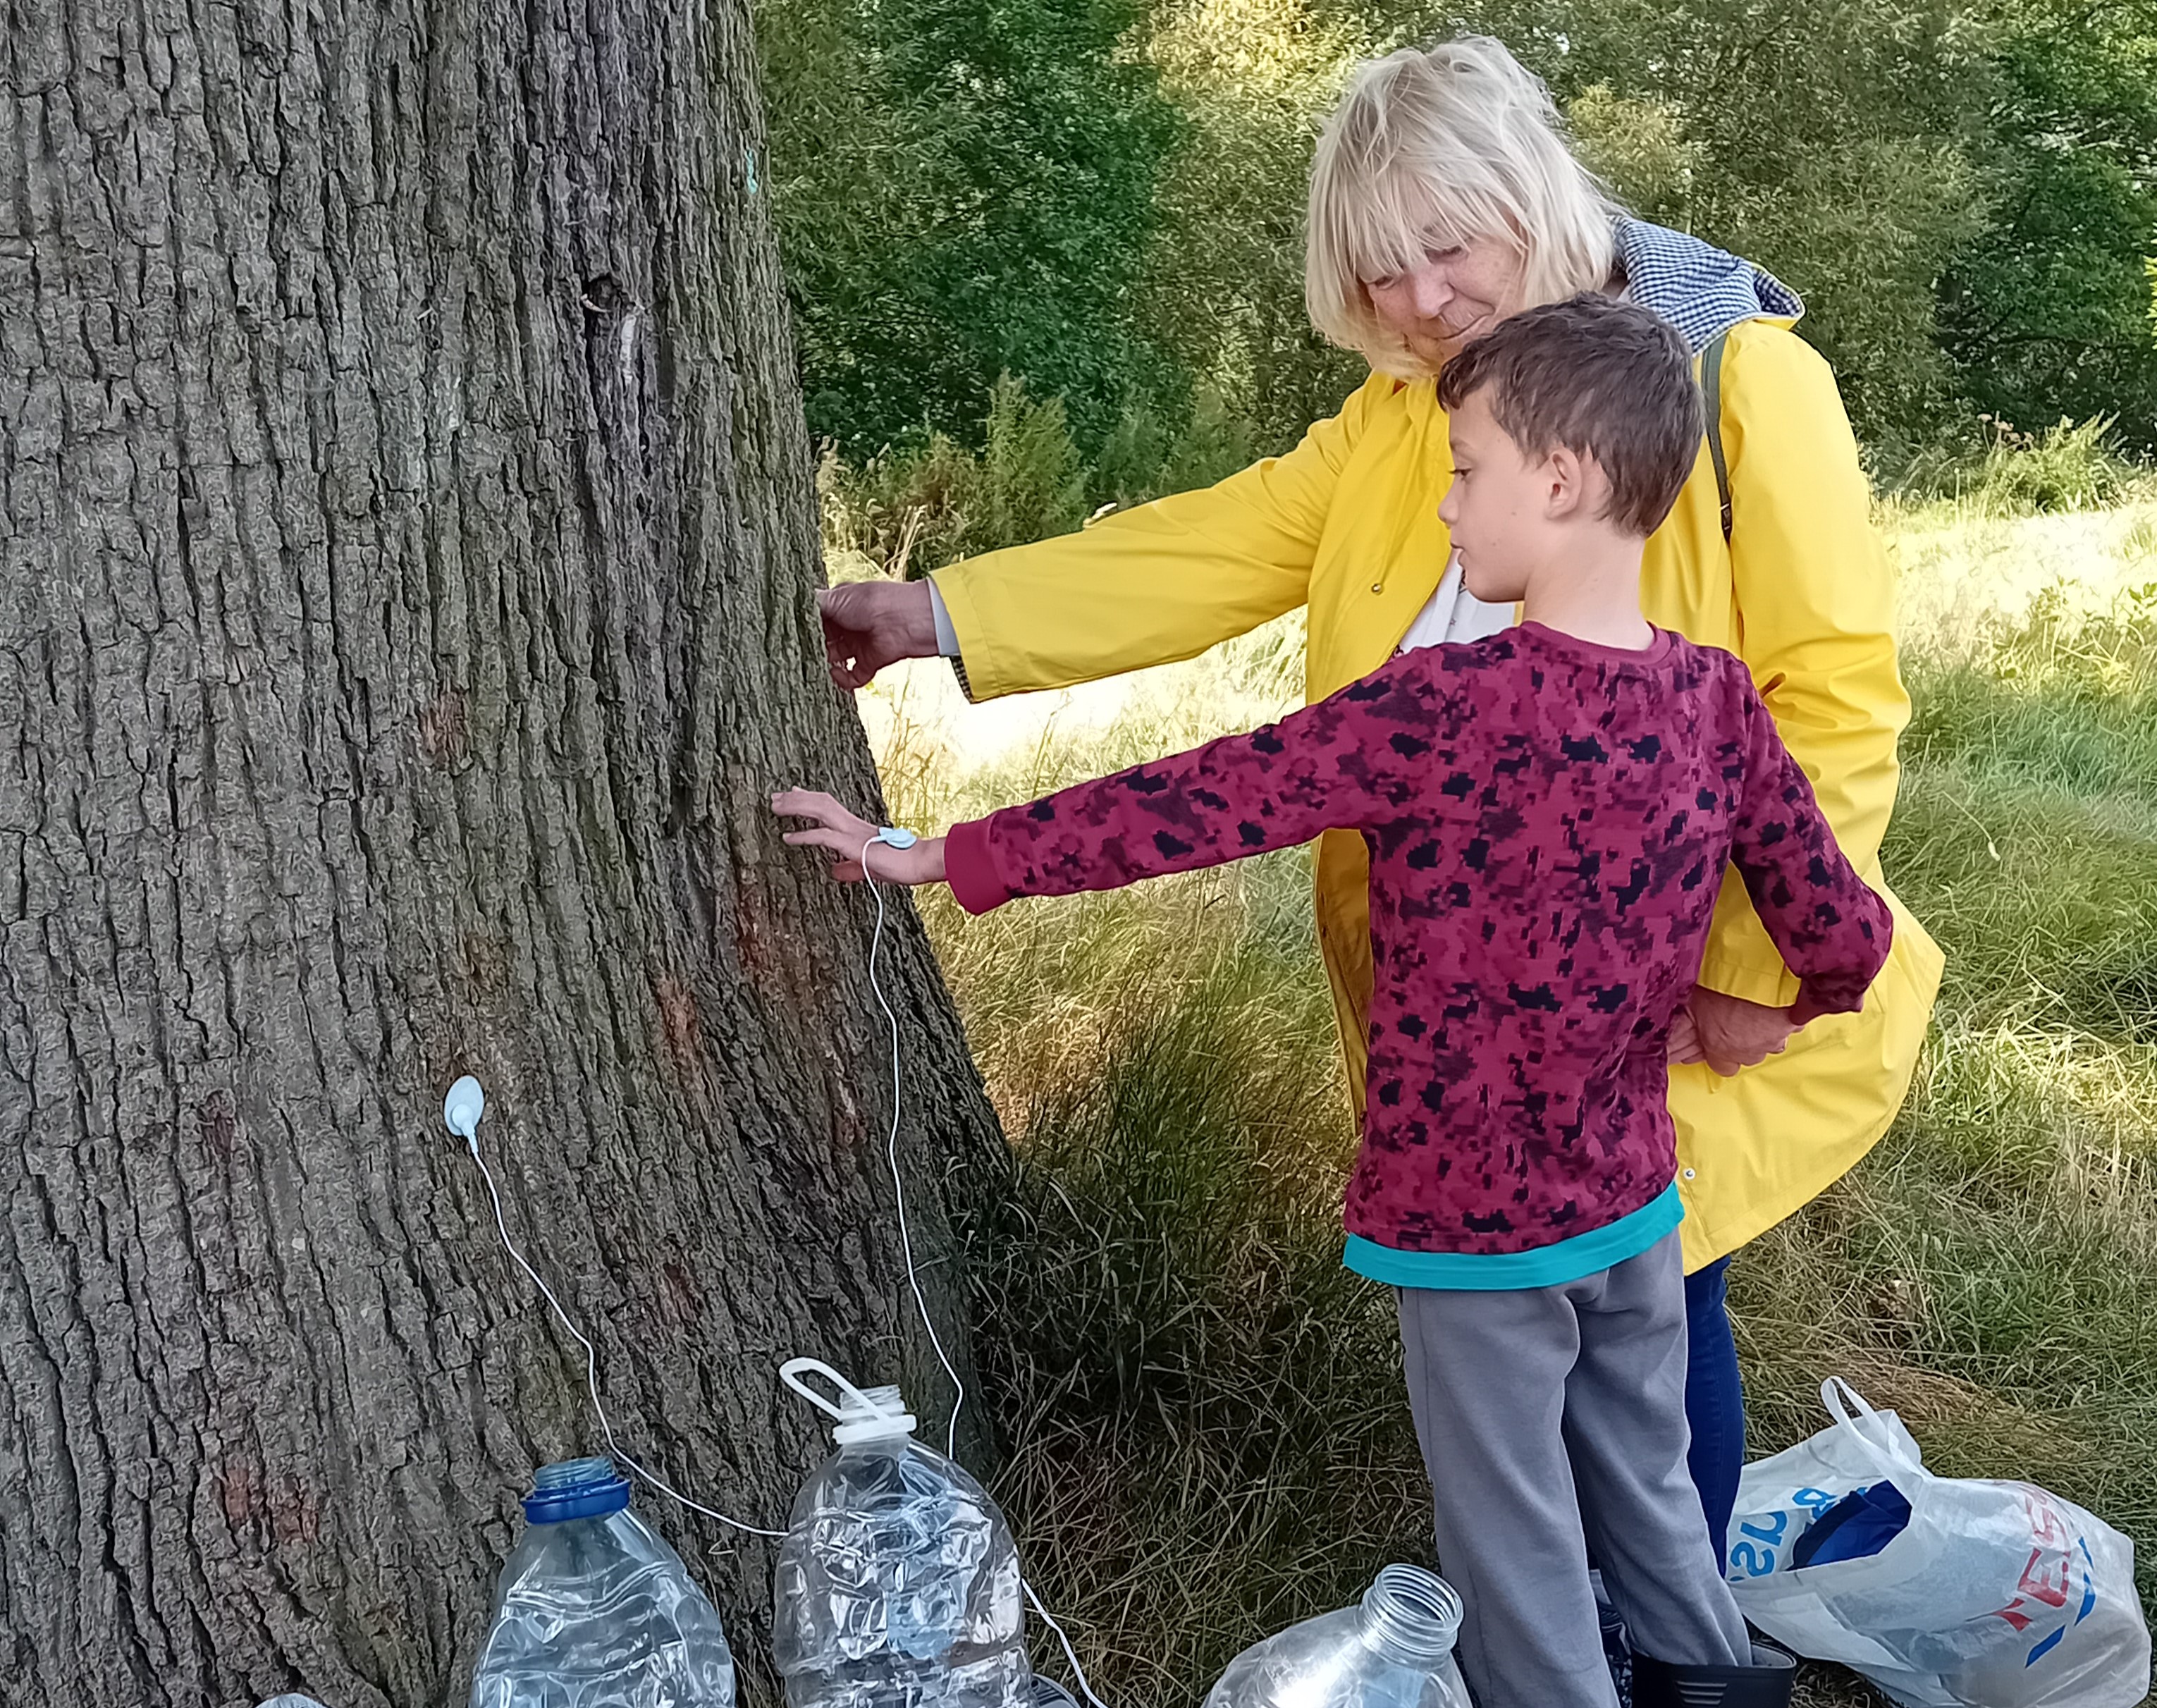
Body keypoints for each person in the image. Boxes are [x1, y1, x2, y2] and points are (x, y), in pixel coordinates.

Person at [778, 294, 1894, 1708]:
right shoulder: (1712, 702)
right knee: (1653, 1507)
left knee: (1518, 1548)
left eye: (1465, 479)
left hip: (1480, 1230)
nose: (1444, 512)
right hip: (1632, 1202)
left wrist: (939, 857)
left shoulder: (1444, 708)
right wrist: (1756, 1012)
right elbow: (1840, 920)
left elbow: (1204, 799)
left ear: (1567, 478)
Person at [815, 37, 1943, 1577]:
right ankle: (1579, 1686)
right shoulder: (1412, 414)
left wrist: (1758, 975)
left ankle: (1654, 1703)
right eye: (1379, 271)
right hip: (1464, 1037)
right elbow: (1211, 546)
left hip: (1660, 1002)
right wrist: (939, 609)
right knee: (1527, 1376)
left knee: (1655, 1332)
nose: (1416, 299)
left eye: (1446, 245)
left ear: (1531, 199)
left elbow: (1828, 699)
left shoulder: (1735, 383)